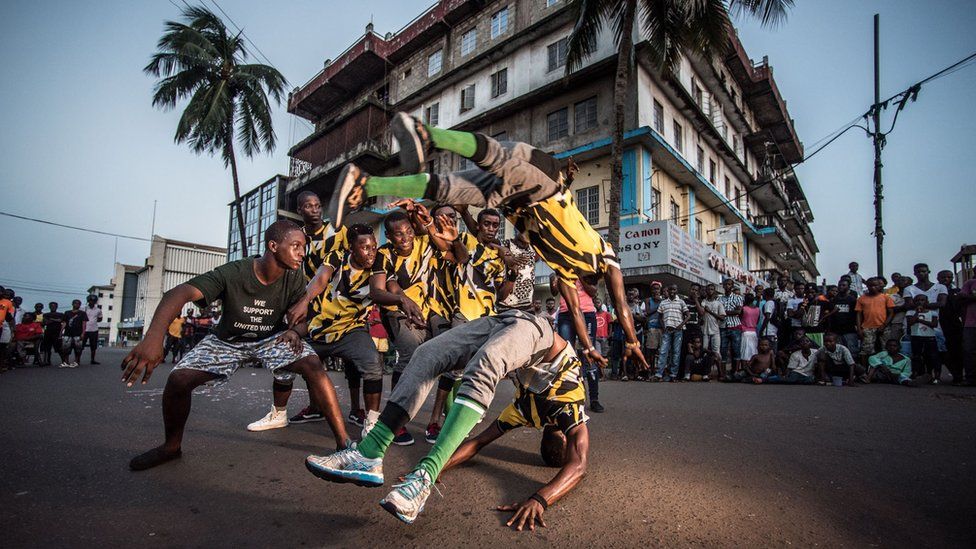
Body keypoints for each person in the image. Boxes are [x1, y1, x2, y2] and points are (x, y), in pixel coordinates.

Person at [326, 113, 648, 373]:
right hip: (545, 187)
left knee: (447, 188)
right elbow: (619, 305)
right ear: (594, 282)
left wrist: (589, 347)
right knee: (497, 157)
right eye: (593, 290)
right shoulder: (605, 256)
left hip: (513, 201)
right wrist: (632, 340)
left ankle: (365, 184)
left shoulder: (565, 275)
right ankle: (429, 135)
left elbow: (577, 313)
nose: (590, 294)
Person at [304, 310, 583, 526]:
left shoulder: (523, 413)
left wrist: (437, 469)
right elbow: (578, 465)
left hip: (517, 330)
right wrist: (540, 499)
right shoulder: (570, 410)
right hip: (529, 326)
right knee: (431, 354)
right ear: (558, 434)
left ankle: (409, 471)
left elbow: (476, 444)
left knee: (443, 356)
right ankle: (370, 454)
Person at [120, 220, 352, 471]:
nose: (302, 253)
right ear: (273, 246)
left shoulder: (295, 276)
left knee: (312, 363)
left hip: (271, 339)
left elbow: (303, 320)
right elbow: (179, 293)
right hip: (228, 341)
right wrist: (154, 338)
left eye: (304, 247)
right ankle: (171, 447)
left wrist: (296, 331)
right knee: (178, 380)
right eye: (296, 246)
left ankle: (345, 445)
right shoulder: (234, 272)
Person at [438, 332, 590, 531]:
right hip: (523, 349)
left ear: (563, 436)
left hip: (543, 345)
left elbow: (578, 465)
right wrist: (436, 467)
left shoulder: (561, 412)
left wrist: (541, 499)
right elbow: (477, 443)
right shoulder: (523, 413)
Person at [253, 224, 387, 436]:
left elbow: (379, 289)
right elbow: (321, 279)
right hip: (319, 326)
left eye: (373, 246)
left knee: (372, 362)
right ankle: (279, 414)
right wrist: (305, 301)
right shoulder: (336, 258)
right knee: (286, 356)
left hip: (351, 328)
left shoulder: (379, 261)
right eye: (365, 247)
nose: (371, 252)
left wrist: (401, 300)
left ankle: (372, 422)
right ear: (351, 247)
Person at [551, 274, 603, 412]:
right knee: (567, 356)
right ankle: (570, 399)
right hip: (565, 314)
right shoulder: (560, 271)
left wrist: (580, 276)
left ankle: (594, 399)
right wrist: (554, 278)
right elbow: (554, 292)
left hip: (586, 313)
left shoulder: (585, 271)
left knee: (589, 354)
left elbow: (593, 292)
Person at [495, 231, 537, 313]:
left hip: (527, 308)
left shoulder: (533, 250)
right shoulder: (504, 245)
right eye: (524, 228)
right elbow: (484, 240)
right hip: (506, 309)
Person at [855, 277, 894, 366]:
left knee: (886, 349)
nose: (873, 287)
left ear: (879, 286)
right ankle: (865, 371)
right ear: (867, 286)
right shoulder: (861, 299)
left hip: (883, 327)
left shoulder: (886, 297)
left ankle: (886, 369)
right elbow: (858, 314)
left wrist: (884, 325)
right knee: (866, 350)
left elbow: (891, 313)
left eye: (875, 285)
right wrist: (859, 329)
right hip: (867, 327)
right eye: (870, 285)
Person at [654, 284, 688, 382]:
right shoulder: (663, 303)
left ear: (677, 291)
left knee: (676, 352)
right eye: (670, 289)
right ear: (667, 291)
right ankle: (659, 374)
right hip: (667, 330)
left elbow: (688, 315)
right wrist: (663, 327)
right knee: (663, 351)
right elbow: (659, 316)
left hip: (678, 330)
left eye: (674, 289)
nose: (672, 291)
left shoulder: (681, 302)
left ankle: (673, 375)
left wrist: (681, 325)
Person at [936, 270, 964, 384]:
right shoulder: (935, 290)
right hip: (938, 324)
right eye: (943, 277)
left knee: (956, 349)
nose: (946, 279)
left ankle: (958, 375)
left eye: (949, 277)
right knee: (942, 350)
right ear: (938, 278)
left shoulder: (957, 291)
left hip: (954, 324)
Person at [906, 294, 941, 383]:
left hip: (929, 337)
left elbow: (934, 324)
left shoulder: (933, 312)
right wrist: (917, 312)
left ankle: (935, 376)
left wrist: (920, 320)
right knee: (916, 356)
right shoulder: (910, 312)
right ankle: (916, 373)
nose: (920, 302)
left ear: (927, 302)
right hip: (916, 336)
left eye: (922, 300)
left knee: (932, 356)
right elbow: (910, 323)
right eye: (917, 300)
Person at [700, 283, 726, 378]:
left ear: (714, 291)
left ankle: (720, 374)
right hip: (705, 330)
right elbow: (701, 313)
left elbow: (723, 317)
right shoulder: (703, 302)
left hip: (715, 330)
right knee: (704, 350)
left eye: (712, 289)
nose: (710, 291)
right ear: (706, 291)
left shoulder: (718, 303)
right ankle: (705, 373)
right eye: (708, 289)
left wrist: (710, 311)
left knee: (716, 352)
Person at [678, 284, 704, 380]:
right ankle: (682, 374)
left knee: (697, 352)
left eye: (696, 290)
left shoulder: (700, 301)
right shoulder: (684, 301)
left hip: (696, 330)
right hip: (686, 329)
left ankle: (697, 373)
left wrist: (696, 300)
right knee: (684, 351)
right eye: (692, 289)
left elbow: (701, 313)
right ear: (690, 290)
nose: (694, 291)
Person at [829, 278, 860, 355]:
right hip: (836, 331)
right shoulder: (833, 300)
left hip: (850, 331)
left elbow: (857, 315)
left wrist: (858, 327)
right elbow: (830, 315)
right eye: (839, 285)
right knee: (838, 353)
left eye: (843, 285)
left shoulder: (853, 300)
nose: (841, 287)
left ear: (848, 287)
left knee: (852, 352)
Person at [719, 278, 744, 375]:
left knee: (736, 349)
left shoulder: (738, 297)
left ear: (732, 286)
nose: (727, 286)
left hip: (735, 326)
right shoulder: (719, 298)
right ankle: (723, 373)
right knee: (723, 350)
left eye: (729, 284)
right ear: (723, 286)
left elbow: (738, 311)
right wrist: (729, 313)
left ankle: (736, 372)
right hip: (723, 327)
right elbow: (718, 312)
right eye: (726, 284)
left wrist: (724, 313)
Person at [959, 275, 976, 386]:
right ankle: (971, 378)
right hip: (971, 323)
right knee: (969, 351)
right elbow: (961, 298)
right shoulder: (970, 283)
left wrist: (971, 296)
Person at [61, 299, 87, 368]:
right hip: (68, 333)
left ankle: (76, 361)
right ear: (72, 304)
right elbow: (64, 323)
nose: (77, 305)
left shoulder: (82, 313)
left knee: (78, 349)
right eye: (75, 303)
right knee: (66, 348)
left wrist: (83, 333)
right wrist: (61, 332)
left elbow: (84, 324)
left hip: (78, 333)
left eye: (78, 304)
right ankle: (66, 361)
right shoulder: (67, 313)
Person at [641, 284, 659, 378]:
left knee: (660, 352)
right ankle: (651, 371)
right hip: (652, 327)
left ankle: (659, 372)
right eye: (654, 289)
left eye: (657, 289)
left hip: (662, 328)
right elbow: (647, 312)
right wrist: (658, 308)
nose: (656, 291)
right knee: (651, 352)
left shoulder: (663, 301)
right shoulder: (648, 300)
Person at [39, 302, 65, 367]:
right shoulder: (46, 314)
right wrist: (56, 320)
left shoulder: (60, 314)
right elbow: (46, 322)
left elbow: (61, 321)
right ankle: (47, 361)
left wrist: (52, 319)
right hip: (48, 332)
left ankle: (64, 360)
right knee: (47, 348)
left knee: (59, 348)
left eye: (54, 306)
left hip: (57, 332)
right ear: (49, 307)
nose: (53, 307)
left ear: (56, 307)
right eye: (51, 306)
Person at [81, 294, 103, 364]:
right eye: (90, 301)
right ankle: (77, 359)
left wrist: (93, 321)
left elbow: (100, 319)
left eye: (93, 301)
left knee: (93, 346)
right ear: (88, 301)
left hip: (94, 330)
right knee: (80, 345)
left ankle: (92, 360)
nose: (92, 302)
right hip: (84, 330)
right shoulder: (83, 309)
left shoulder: (98, 310)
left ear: (95, 302)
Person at [739, 294, 760, 362]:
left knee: (744, 352)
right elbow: (758, 321)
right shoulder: (757, 309)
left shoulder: (744, 308)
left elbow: (739, 319)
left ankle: (744, 368)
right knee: (753, 351)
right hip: (754, 332)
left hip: (745, 331)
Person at [0, 290, 16, 371]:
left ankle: (3, 364)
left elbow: (11, 318)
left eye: (8, 295)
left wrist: (13, 329)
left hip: (5, 327)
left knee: (4, 347)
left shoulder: (10, 305)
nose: (6, 295)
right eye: (5, 294)